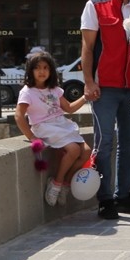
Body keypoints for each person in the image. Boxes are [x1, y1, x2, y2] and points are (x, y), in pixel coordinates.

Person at [79, 0, 130, 221]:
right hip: (104, 88)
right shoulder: (95, 5)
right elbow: (87, 47)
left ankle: (124, 196)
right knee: (104, 142)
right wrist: (88, 81)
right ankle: (105, 199)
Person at [15, 51, 91, 206]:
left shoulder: (55, 90)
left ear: (51, 71)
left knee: (87, 151)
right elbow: (19, 116)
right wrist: (32, 138)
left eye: (45, 67)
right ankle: (56, 183)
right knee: (74, 150)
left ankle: (65, 184)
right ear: (31, 71)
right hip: (44, 127)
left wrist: (85, 97)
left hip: (60, 124)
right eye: (37, 68)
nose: (42, 71)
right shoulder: (27, 92)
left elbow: (69, 108)